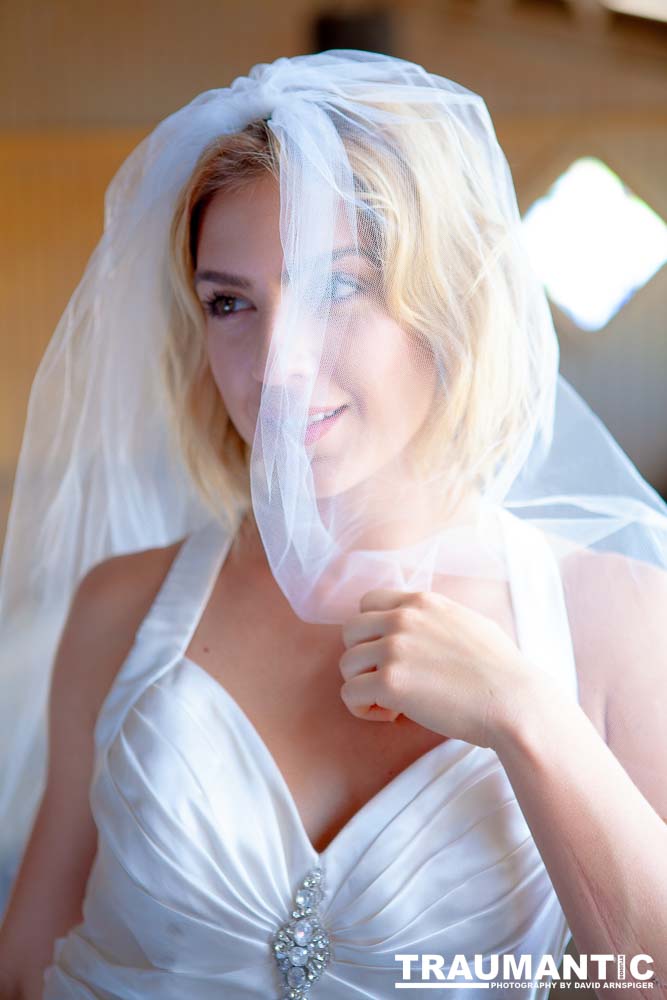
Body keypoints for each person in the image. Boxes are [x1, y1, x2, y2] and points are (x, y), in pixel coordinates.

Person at [0, 50, 665, 999]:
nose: (276, 363)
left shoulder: (614, 618)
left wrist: (525, 717)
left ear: (445, 304)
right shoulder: (123, 606)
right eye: (231, 303)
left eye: (336, 288)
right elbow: (26, 965)